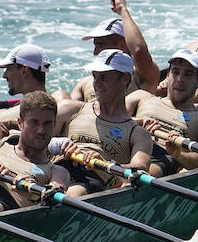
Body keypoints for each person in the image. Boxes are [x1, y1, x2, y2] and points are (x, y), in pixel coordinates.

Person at [0, 44, 81, 159]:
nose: (4, 75)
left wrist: (12, 124)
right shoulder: (6, 112)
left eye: (8, 69)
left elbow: (58, 113)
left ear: (24, 70)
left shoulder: (58, 97)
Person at [0, 91, 71, 213]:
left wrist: (34, 194)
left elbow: (54, 198)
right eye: (34, 123)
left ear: (54, 125)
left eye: (47, 123)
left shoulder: (57, 171)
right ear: (20, 123)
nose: (41, 130)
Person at [56, 49, 154, 193]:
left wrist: (105, 164)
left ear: (125, 78)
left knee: (77, 192)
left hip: (93, 180)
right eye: (95, 76)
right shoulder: (71, 109)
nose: (96, 84)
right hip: (56, 173)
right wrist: (58, 145)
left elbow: (139, 170)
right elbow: (36, 139)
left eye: (104, 77)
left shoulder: (138, 134)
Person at [125, 49, 198, 174]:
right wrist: (139, 122)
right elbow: (109, 120)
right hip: (126, 148)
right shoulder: (141, 96)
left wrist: (179, 154)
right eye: (176, 72)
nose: (180, 79)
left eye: (188, 74)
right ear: (168, 76)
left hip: (162, 160)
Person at [67, 0, 158, 100]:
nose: (95, 52)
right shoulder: (85, 83)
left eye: (101, 45)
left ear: (123, 44)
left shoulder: (141, 77)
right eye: (95, 45)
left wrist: (122, 9)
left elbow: (138, 50)